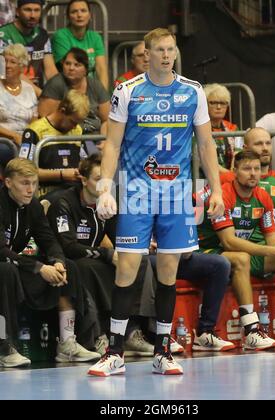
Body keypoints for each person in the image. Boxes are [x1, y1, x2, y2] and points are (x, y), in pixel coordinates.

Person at [88, 27, 224, 377]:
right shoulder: (127, 91)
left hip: (176, 195)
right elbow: (113, 144)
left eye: (171, 49)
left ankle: (163, 350)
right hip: (136, 192)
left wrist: (217, 191)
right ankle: (114, 350)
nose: (167, 55)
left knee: (168, 271)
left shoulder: (193, 91)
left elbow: (206, 146)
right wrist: (105, 187)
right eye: (160, 50)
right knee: (127, 268)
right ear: (146, 54)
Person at [47, 154, 155, 357]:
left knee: (138, 262)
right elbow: (68, 246)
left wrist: (140, 245)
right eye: (98, 179)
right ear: (83, 179)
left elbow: (120, 238)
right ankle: (97, 336)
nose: (103, 186)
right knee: (87, 267)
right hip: (68, 260)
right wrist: (107, 253)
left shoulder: (106, 203)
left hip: (95, 257)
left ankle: (131, 332)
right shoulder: (63, 203)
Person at [0, 157, 100, 367]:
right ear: (8, 182)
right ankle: (3, 346)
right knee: (5, 271)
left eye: (34, 183)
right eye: (24, 183)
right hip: (5, 265)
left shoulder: (33, 205)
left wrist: (57, 262)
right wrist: (39, 268)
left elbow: (49, 240)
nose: (30, 189)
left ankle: (67, 344)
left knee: (69, 267)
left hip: (14, 263)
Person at [198, 150, 275, 349]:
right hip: (204, 250)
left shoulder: (263, 197)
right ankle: (251, 330)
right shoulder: (224, 194)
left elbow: (272, 238)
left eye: (256, 169)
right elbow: (228, 242)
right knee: (242, 258)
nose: (253, 173)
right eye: (246, 169)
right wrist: (271, 251)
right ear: (234, 170)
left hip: (233, 252)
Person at [19, 89, 89, 199]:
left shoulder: (78, 131)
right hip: (45, 192)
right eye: (72, 122)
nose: (75, 127)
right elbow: (24, 172)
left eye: (78, 123)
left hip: (74, 190)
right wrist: (62, 175)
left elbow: (84, 161)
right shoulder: (35, 131)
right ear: (62, 110)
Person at [38, 47, 110, 138]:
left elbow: (107, 120)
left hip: (95, 138)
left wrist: (104, 141)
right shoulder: (55, 84)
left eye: (77, 65)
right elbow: (44, 120)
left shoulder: (95, 85)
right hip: (64, 138)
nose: (71, 68)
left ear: (85, 70)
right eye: (67, 64)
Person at [0, 0, 58, 93]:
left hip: (37, 92)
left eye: (37, 10)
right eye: (27, 10)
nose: (32, 15)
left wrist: (61, 92)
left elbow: (50, 70)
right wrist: (40, 94)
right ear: (17, 12)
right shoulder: (3, 35)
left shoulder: (42, 35)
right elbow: (7, 71)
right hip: (10, 93)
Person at [51, 0, 108, 90]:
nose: (79, 15)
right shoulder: (61, 36)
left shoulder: (95, 37)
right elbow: (70, 71)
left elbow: (101, 69)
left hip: (92, 90)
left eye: (83, 11)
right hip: (68, 89)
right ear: (68, 17)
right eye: (74, 12)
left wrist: (103, 95)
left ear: (89, 15)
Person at [0, 43, 38, 174]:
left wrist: (28, 138)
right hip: (4, 140)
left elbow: (34, 119)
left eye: (13, 62)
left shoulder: (29, 89)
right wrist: (14, 136)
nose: (8, 65)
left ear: (22, 67)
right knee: (6, 150)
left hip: (25, 139)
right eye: (5, 61)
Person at [204, 83, 240, 172]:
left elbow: (239, 153)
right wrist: (230, 175)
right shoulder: (197, 128)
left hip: (230, 178)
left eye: (223, 103)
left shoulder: (233, 128)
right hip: (203, 180)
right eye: (213, 103)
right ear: (204, 104)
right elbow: (202, 160)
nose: (219, 107)